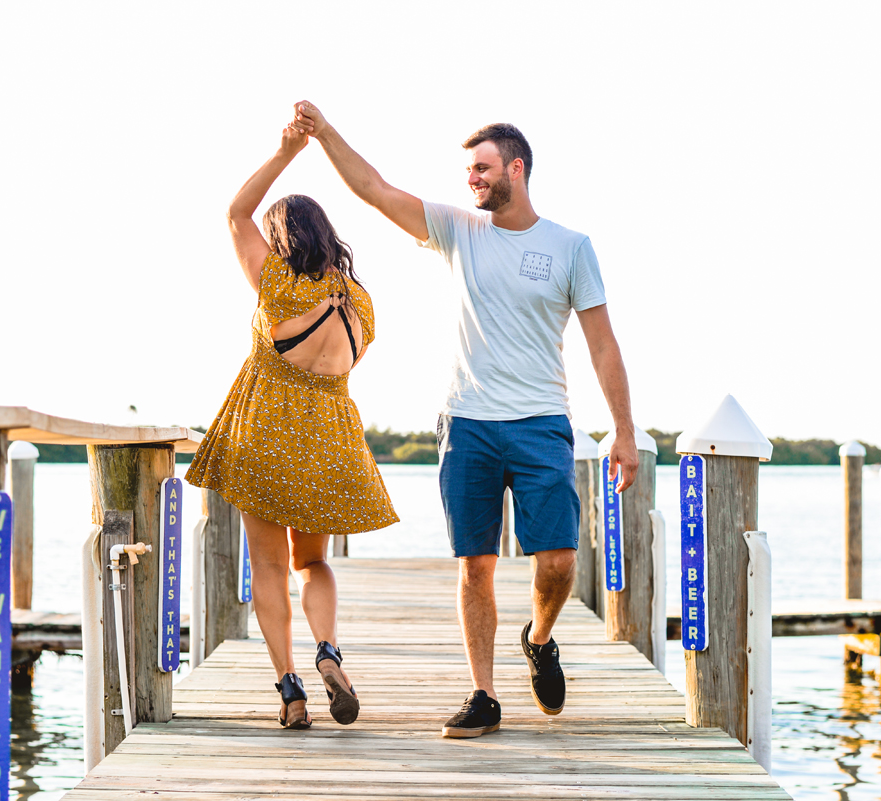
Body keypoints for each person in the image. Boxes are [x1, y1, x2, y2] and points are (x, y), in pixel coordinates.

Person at [291, 101, 639, 738]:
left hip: (541, 423)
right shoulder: (456, 229)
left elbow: (603, 344)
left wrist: (623, 429)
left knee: (558, 560)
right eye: (468, 171)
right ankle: (484, 693)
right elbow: (373, 189)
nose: (471, 180)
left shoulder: (570, 248)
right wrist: (324, 134)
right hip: (469, 423)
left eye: (481, 169)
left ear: (516, 167)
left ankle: (539, 639)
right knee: (474, 564)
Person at [184, 122, 399, 730]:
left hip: (266, 437)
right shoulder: (359, 301)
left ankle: (291, 692)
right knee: (315, 564)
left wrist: (285, 151)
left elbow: (235, 211)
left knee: (270, 569)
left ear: (281, 237)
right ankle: (329, 651)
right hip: (330, 441)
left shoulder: (275, 283)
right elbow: (346, 367)